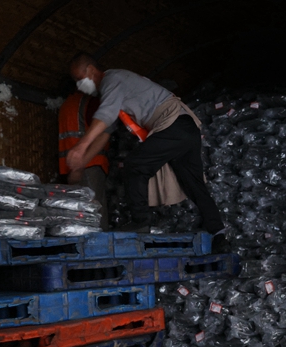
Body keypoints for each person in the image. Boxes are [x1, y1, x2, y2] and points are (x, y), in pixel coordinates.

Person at [66, 53, 229, 252]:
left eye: (78, 78)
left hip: (173, 123)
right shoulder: (115, 89)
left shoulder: (112, 79)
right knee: (193, 183)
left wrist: (80, 146)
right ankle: (219, 235)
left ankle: (140, 222)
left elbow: (105, 116)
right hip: (185, 128)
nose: (78, 85)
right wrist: (82, 162)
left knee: (135, 165)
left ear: (91, 70)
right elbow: (105, 133)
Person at [57, 92, 110, 230]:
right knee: (95, 211)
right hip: (90, 164)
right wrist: (79, 166)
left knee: (77, 212)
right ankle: (101, 246)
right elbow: (104, 132)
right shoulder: (89, 103)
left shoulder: (66, 105)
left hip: (68, 167)